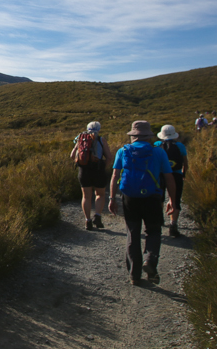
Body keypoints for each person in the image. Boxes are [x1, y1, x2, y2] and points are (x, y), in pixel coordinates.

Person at [108, 120, 176, 285]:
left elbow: (115, 177)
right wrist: (172, 201)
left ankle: (134, 274)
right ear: (149, 136)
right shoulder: (158, 152)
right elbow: (169, 178)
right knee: (153, 231)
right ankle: (150, 261)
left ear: (133, 136)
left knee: (133, 232)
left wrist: (112, 199)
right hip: (152, 198)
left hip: (130, 198)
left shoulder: (123, 151)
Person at [70, 121, 112, 230]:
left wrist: (80, 162)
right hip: (98, 170)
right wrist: (103, 167)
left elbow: (72, 155)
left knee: (86, 196)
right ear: (99, 129)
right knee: (100, 194)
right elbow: (109, 157)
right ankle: (97, 216)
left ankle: (87, 221)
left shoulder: (80, 138)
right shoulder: (101, 140)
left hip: (84, 170)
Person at [154, 124, 188, 237]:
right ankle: (173, 224)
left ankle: (159, 219)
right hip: (176, 174)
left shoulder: (157, 145)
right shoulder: (180, 146)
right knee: (175, 198)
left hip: (161, 175)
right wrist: (183, 174)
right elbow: (185, 163)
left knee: (159, 197)